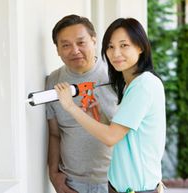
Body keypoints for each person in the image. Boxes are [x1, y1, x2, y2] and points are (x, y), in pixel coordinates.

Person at [54, 18, 166, 193]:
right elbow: (121, 133)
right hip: (120, 188)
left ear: (140, 47)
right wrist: (96, 111)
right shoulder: (131, 84)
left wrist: (70, 106)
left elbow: (111, 137)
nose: (115, 54)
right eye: (110, 47)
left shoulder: (143, 85)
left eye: (124, 45)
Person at [46, 14, 118, 193]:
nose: (74, 50)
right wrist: (54, 175)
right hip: (72, 184)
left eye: (81, 42)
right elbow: (55, 134)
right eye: (66, 45)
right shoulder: (53, 81)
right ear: (57, 50)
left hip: (114, 181)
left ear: (94, 41)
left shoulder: (116, 77)